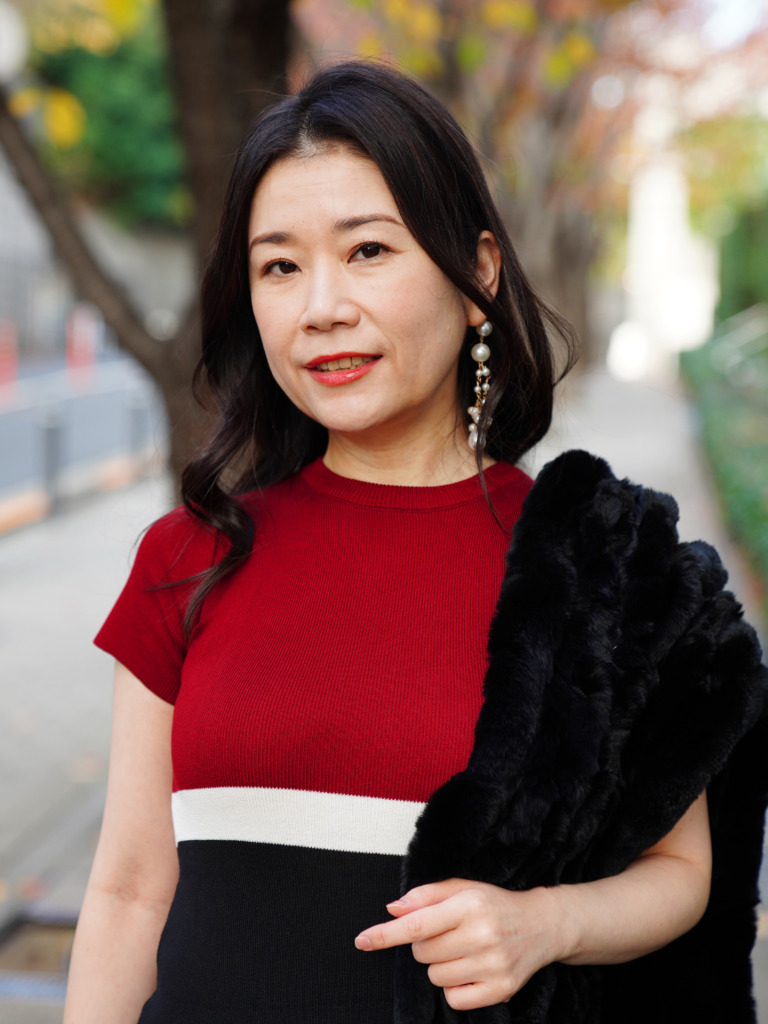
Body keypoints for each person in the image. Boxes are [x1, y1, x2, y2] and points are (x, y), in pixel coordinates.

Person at [63, 60, 767, 1024]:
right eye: (279, 266)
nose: (321, 307)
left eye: (367, 251)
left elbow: (684, 870)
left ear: (478, 274)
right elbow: (129, 890)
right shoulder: (189, 555)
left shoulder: (596, 568)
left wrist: (547, 923)